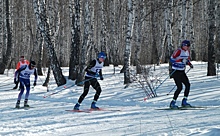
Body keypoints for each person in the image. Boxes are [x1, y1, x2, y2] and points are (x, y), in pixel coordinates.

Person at [169, 40, 194, 109]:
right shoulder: (178, 51)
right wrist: (180, 60)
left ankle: (184, 101)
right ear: (183, 45)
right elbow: (171, 59)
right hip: (176, 71)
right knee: (179, 87)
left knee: (187, 85)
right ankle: (173, 102)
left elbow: (187, 60)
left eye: (188, 46)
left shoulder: (187, 52)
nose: (187, 47)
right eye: (186, 46)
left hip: (182, 71)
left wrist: (189, 64)